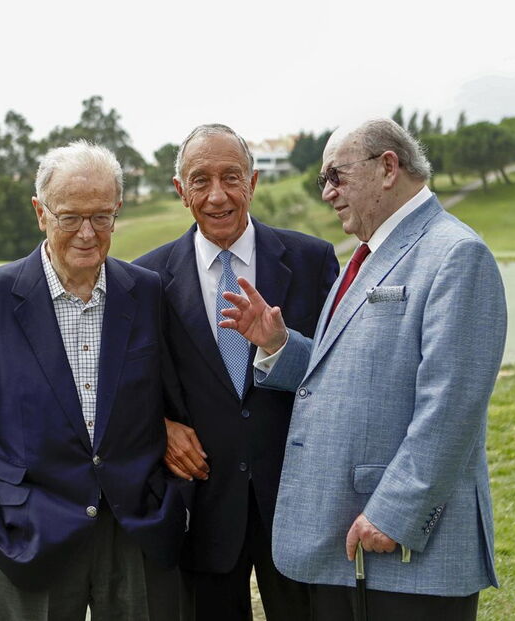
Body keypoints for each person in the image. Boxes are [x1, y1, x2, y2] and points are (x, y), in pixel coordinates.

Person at [220, 118, 507, 620]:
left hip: (403, 550)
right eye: (323, 181)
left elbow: (452, 407)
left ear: (389, 167)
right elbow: (352, 372)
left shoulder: (456, 255)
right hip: (350, 548)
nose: (328, 193)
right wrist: (279, 344)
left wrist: (394, 514)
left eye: (336, 176)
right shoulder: (368, 254)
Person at [0, 141, 190, 621]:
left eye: (101, 217)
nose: (87, 233)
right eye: (70, 217)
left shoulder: (145, 291)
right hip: (29, 536)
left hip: (136, 530)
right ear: (40, 213)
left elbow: (174, 404)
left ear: (117, 212)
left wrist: (175, 504)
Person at [135, 124, 338, 620]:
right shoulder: (144, 280)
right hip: (200, 509)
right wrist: (158, 429)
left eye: (231, 177)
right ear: (181, 191)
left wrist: (279, 345)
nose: (218, 195)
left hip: (296, 504)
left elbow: (339, 374)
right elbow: (129, 386)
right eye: (200, 180)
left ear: (254, 181)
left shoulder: (312, 260)